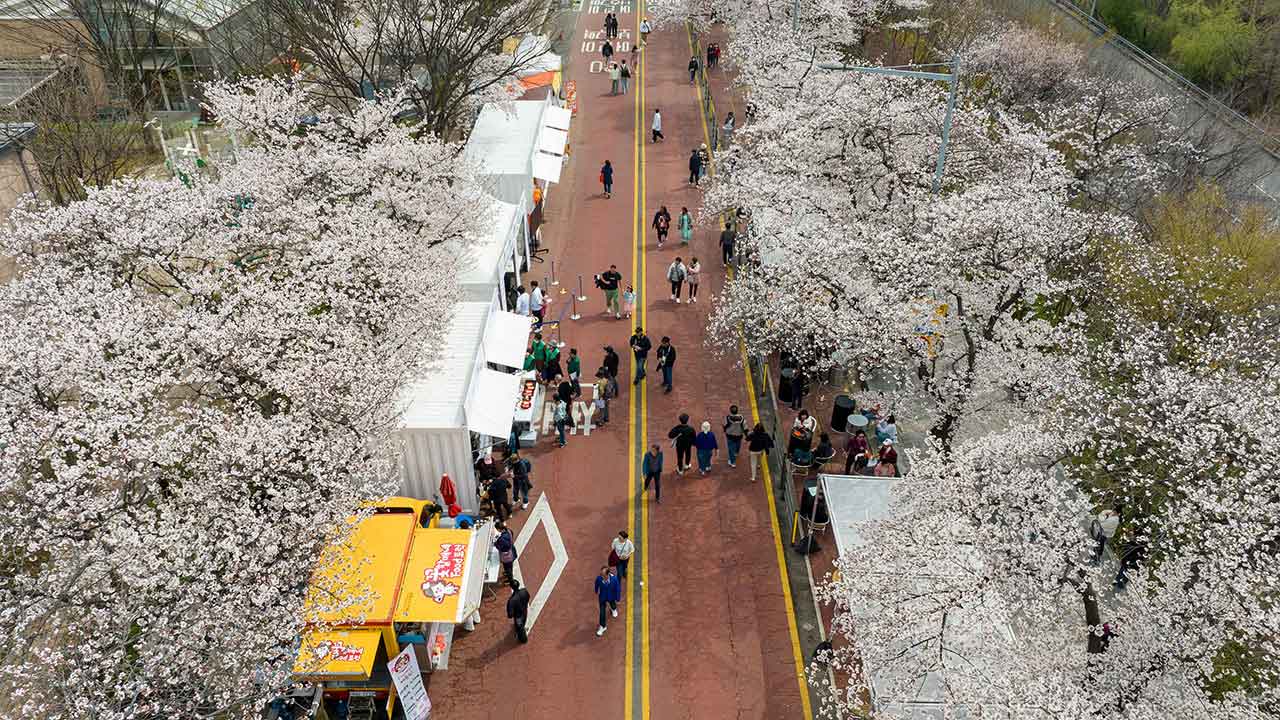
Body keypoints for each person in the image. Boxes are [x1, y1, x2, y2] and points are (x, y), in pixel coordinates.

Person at [595, 566, 621, 635]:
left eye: (603, 575)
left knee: (612, 604)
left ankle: (613, 609)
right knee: (602, 612)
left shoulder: (614, 579)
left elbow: (617, 589)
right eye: (601, 574)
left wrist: (618, 598)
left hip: (611, 596)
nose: (601, 576)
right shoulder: (599, 578)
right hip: (602, 597)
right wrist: (596, 590)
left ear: (608, 574)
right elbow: (596, 584)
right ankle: (602, 626)